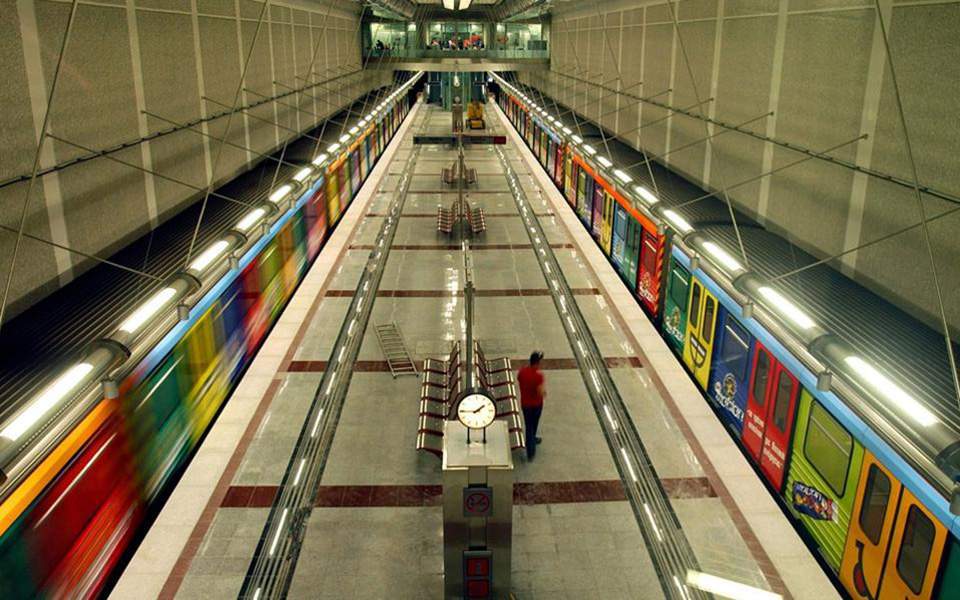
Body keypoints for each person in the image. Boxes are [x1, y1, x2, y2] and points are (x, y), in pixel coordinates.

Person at [517, 351, 546, 460]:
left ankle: (532, 439)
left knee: (529, 424)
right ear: (538, 363)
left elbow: (520, 380)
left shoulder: (522, 372)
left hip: (525, 404)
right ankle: (530, 451)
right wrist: (544, 393)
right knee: (532, 425)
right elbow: (540, 392)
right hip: (536, 405)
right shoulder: (538, 376)